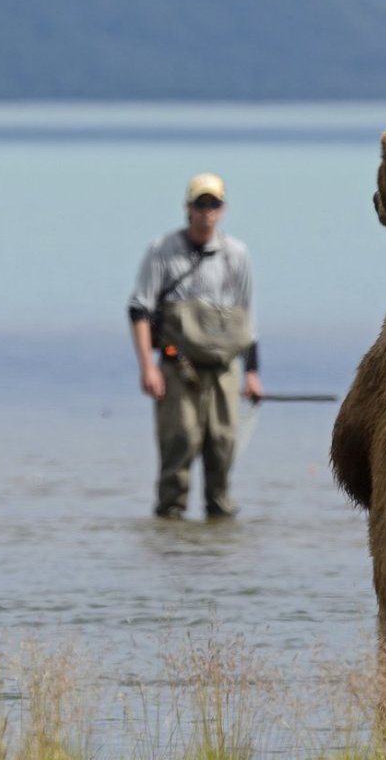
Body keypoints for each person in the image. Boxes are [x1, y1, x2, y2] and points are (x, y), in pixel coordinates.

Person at [128, 173, 264, 518]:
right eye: (200, 204)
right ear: (188, 208)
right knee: (181, 443)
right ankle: (170, 524)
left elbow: (247, 319)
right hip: (178, 366)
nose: (207, 211)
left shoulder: (237, 254)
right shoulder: (162, 251)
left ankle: (218, 531)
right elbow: (139, 310)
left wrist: (252, 373)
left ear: (223, 209)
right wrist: (147, 367)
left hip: (224, 369)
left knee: (222, 445)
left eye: (213, 203)